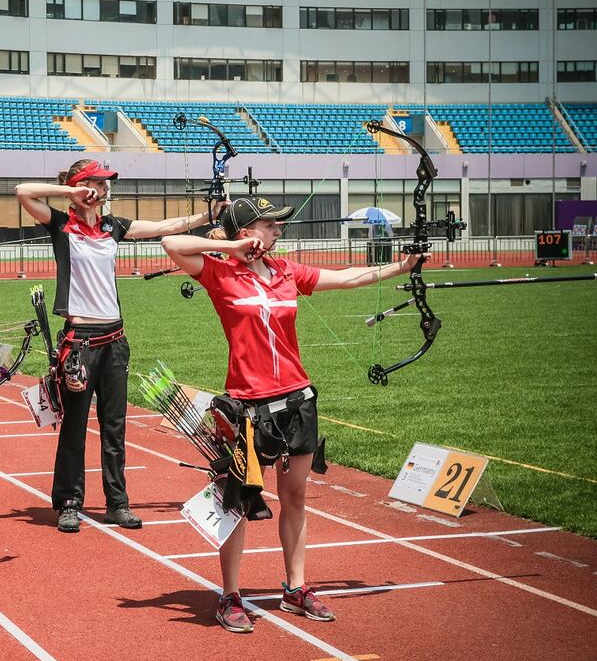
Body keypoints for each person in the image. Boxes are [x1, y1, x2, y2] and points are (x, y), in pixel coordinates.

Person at [161, 195, 424, 633]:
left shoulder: (286, 271)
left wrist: (402, 266)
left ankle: (296, 588)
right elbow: (171, 243)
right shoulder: (220, 273)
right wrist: (230, 248)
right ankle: (230, 595)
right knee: (239, 502)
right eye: (270, 225)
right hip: (248, 404)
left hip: (296, 400)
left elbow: (348, 277)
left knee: (295, 497)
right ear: (247, 231)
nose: (279, 230)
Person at [15, 159, 221, 533]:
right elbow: (23, 192)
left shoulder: (113, 226)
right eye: (98, 182)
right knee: (75, 427)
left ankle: (117, 503)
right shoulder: (61, 224)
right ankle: (68, 503)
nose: (105, 188)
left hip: (114, 342)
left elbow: (165, 227)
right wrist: (70, 192)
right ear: (81, 185)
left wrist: (208, 215)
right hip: (80, 343)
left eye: (106, 183)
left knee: (115, 427)